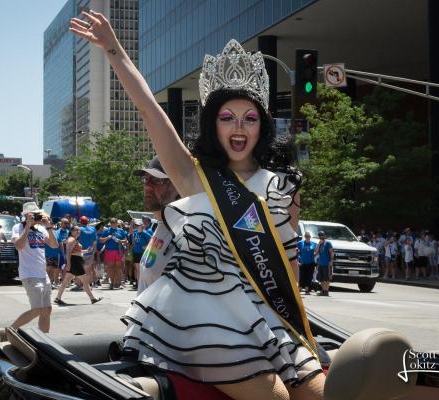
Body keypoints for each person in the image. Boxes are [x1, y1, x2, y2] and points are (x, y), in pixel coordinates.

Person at [71, 13, 323, 399]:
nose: (239, 128)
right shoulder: (193, 174)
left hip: (266, 318)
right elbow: (150, 113)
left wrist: (300, 331)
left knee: (321, 392)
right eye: (227, 118)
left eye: (249, 118)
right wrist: (113, 50)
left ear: (263, 125)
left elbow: (287, 270)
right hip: (203, 315)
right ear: (212, 123)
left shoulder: (282, 187)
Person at [4, 202, 58, 336]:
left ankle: (44, 338)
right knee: (37, 309)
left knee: (47, 309)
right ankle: (10, 330)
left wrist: (49, 227)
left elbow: (54, 245)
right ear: (26, 216)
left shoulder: (41, 228)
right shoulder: (18, 227)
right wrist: (27, 227)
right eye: (33, 215)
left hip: (42, 273)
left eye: (37, 214)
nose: (36, 217)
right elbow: (18, 246)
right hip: (29, 273)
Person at [133, 156, 180, 293]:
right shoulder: (161, 227)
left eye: (157, 180)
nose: (147, 185)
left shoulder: (185, 233)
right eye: (146, 179)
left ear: (177, 185)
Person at [53, 225, 102, 306]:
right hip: (75, 261)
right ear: (72, 231)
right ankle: (92, 298)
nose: (79, 231)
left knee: (65, 282)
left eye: (79, 230)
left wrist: (86, 251)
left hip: (76, 260)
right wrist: (68, 264)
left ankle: (58, 298)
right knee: (85, 281)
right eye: (76, 230)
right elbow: (68, 252)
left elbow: (76, 251)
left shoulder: (74, 239)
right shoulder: (71, 239)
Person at [100, 218, 128, 289]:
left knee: (118, 267)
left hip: (119, 251)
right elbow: (101, 241)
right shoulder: (106, 230)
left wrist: (120, 241)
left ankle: (118, 282)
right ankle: (112, 283)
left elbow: (125, 241)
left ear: (117, 223)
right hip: (109, 251)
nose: (113, 224)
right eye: (112, 222)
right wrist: (107, 238)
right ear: (110, 223)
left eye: (114, 222)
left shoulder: (121, 231)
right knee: (110, 267)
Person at [128, 219, 152, 289]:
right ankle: (138, 283)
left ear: (142, 226)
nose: (137, 226)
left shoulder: (145, 233)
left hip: (142, 253)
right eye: (136, 225)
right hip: (135, 253)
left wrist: (147, 246)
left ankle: (141, 284)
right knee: (137, 268)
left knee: (140, 269)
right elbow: (130, 233)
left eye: (138, 225)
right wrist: (131, 224)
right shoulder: (135, 232)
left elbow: (152, 240)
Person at [77, 216, 98, 286]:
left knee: (80, 269)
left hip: (81, 252)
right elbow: (95, 241)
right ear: (88, 222)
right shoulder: (93, 229)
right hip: (90, 252)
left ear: (80, 222)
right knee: (88, 270)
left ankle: (80, 285)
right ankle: (89, 284)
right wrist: (94, 251)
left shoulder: (79, 229)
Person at [314, 231, 334, 296]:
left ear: (324, 236)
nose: (321, 237)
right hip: (320, 263)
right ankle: (323, 291)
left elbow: (331, 252)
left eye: (322, 235)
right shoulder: (319, 244)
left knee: (327, 278)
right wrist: (319, 244)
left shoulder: (328, 243)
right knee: (321, 279)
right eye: (319, 235)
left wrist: (331, 261)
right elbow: (316, 252)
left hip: (327, 263)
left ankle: (326, 291)